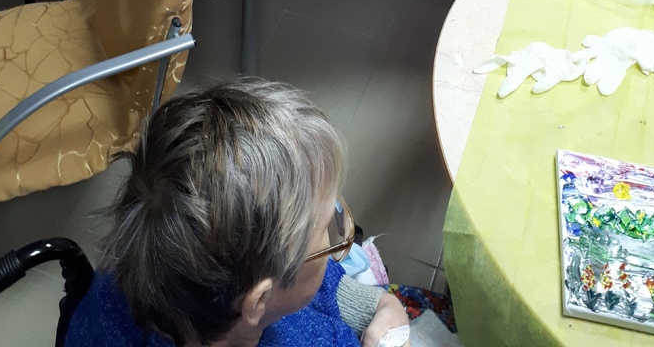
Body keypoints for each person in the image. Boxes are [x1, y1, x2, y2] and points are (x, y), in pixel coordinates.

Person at [66, 78, 409, 347]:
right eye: (329, 232)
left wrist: (384, 307)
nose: (336, 233)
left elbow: (323, 290)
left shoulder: (142, 265)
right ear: (259, 301)